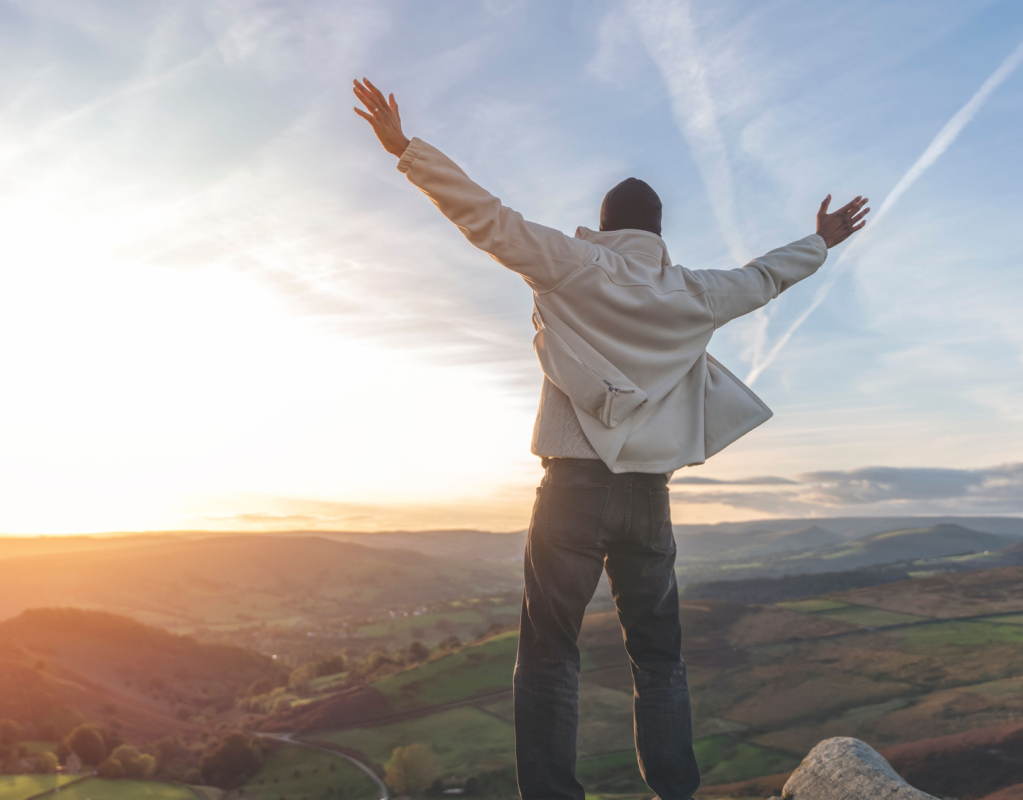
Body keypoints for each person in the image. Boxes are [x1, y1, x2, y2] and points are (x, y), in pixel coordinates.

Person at [352, 77, 868, 800]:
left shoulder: (571, 262)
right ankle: (674, 792)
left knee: (549, 658)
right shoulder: (693, 292)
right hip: (646, 498)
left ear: (603, 223)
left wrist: (407, 149)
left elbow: (485, 216)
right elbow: (762, 278)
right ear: (658, 233)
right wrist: (821, 240)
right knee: (659, 660)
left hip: (571, 489)